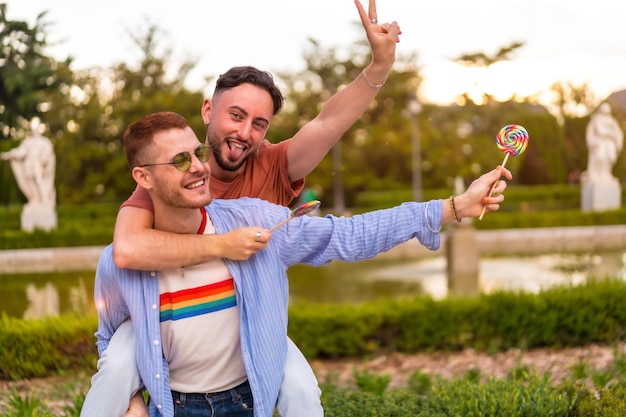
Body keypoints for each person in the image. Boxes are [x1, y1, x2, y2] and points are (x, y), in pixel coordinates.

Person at [82, 1, 401, 416]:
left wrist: (378, 67)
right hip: (169, 317)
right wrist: (225, 244)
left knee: (301, 391)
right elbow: (125, 252)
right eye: (236, 116)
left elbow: (328, 124)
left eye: (259, 123)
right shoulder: (172, 176)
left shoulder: (272, 163)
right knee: (119, 364)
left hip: (246, 316)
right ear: (208, 111)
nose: (244, 132)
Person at [94, 111, 511, 417]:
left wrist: (454, 206)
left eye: (197, 153)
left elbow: (346, 235)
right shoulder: (119, 262)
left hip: (247, 402)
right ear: (143, 178)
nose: (200, 167)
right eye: (179, 161)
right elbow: (112, 343)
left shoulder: (256, 222)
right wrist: (133, 405)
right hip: (176, 408)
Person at [0, 120, 56, 209]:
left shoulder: (45, 142)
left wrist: (47, 164)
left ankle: (45, 200)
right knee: (30, 183)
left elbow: (49, 154)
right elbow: (20, 152)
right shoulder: (28, 142)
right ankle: (35, 199)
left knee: (39, 181)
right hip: (28, 166)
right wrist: (8, 154)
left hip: (37, 165)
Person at [583, 102, 624, 183]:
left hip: (609, 143)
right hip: (600, 143)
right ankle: (597, 175)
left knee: (610, 158)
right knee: (600, 157)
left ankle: (606, 174)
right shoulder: (596, 119)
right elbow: (591, 132)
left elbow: (618, 133)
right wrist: (593, 141)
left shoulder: (612, 121)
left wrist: (618, 141)